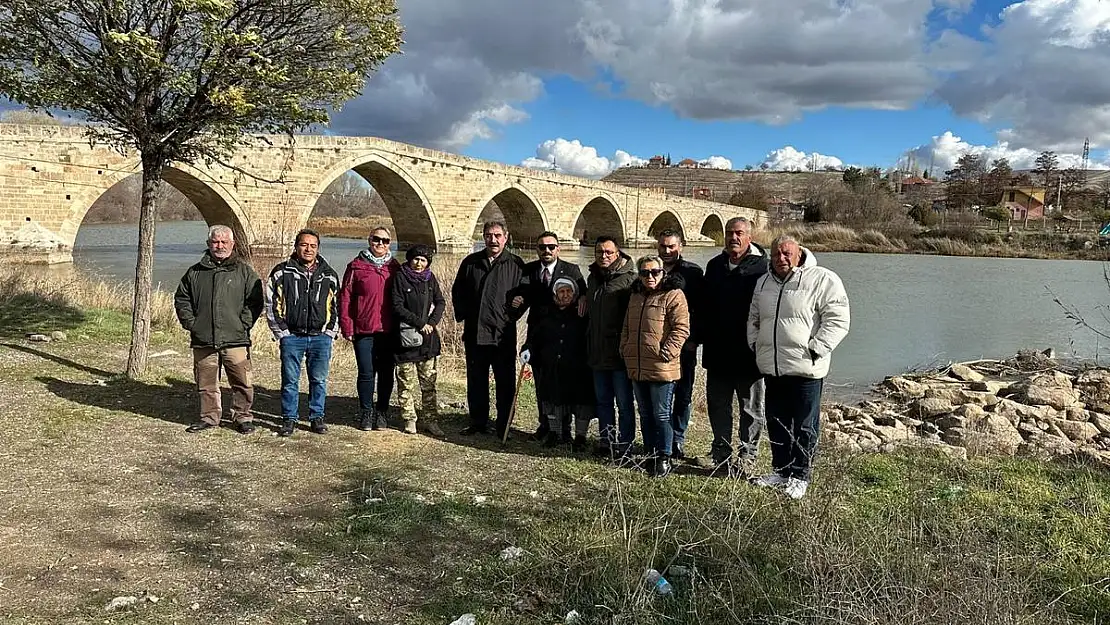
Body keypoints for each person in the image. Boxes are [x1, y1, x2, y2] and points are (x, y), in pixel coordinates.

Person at [747, 235, 850, 499]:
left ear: (799, 254)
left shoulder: (823, 279)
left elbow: (838, 319)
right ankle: (781, 471)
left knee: (805, 425)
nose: (781, 259)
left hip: (806, 368)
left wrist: (816, 348)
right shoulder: (764, 282)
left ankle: (800, 475)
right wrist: (756, 344)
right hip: (773, 366)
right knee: (777, 421)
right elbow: (754, 317)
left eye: (786, 253)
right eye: (776, 254)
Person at [174, 225, 264, 434]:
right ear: (208, 244)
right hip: (204, 338)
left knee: (242, 380)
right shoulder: (195, 272)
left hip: (235, 338)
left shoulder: (244, 271)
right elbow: (182, 299)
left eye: (224, 242)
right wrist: (192, 324)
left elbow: (255, 301)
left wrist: (244, 323)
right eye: (216, 242)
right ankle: (209, 417)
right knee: (206, 382)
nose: (220, 245)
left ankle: (242, 417)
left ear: (233, 244)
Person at [702, 217, 768, 475]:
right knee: (718, 406)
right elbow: (705, 306)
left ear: (749, 237)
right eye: (729, 233)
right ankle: (720, 454)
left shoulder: (762, 268)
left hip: (748, 354)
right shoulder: (715, 265)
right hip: (717, 352)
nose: (733, 238)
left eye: (739, 233)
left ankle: (748, 456)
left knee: (750, 408)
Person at [451, 220, 525, 437]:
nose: (493, 240)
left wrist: (512, 314)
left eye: (497, 235)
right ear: (483, 237)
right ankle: (478, 422)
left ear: (506, 237)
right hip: (475, 333)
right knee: (476, 381)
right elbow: (458, 291)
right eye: (488, 235)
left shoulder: (516, 264)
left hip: (502, 335)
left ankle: (504, 425)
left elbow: (525, 296)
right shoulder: (471, 262)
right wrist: (465, 314)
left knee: (505, 383)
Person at [511, 231, 586, 440]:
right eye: (542, 247)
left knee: (566, 384)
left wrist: (584, 300)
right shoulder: (530, 270)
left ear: (558, 248)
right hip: (539, 334)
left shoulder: (571, 269)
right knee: (542, 383)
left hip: (565, 333)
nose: (547, 251)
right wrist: (517, 300)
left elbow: (583, 294)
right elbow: (522, 293)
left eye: (551, 247)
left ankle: (566, 429)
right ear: (537, 249)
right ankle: (546, 425)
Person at [265, 228, 341, 437]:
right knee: (290, 380)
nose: (308, 249)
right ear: (296, 246)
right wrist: (282, 333)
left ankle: (317, 417)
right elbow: (272, 304)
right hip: (292, 337)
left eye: (313, 246)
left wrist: (330, 332)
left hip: (320, 338)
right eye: (304, 245)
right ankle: (289, 419)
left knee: (319, 380)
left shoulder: (329, 274)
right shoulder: (282, 272)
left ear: (318, 249)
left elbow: (337, 306)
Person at [620, 254, 690, 478]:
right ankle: (649, 452)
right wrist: (625, 348)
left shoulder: (673, 295)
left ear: (663, 273)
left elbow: (681, 329)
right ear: (639, 275)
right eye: (644, 272)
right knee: (646, 413)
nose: (649, 276)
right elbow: (627, 327)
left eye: (654, 272)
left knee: (661, 414)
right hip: (638, 364)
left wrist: (666, 353)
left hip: (661, 366)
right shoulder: (635, 296)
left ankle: (664, 455)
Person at [519, 278, 595, 451]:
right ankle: (555, 433)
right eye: (561, 291)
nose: (565, 295)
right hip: (552, 366)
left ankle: (580, 437)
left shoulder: (582, 315)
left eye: (569, 291)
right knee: (552, 400)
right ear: (554, 295)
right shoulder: (545, 315)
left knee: (581, 402)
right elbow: (534, 338)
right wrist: (527, 349)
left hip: (578, 368)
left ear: (575, 294)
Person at [338, 226, 401, 431]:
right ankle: (366, 411)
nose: (380, 244)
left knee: (385, 373)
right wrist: (347, 326)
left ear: (389, 243)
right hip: (363, 328)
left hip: (388, 330)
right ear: (369, 240)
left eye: (384, 240)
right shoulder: (356, 266)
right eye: (376, 239)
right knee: (366, 372)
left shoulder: (395, 267)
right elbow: (345, 297)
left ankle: (382, 412)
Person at [585, 236, 638, 459]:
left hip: (619, 354)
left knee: (624, 403)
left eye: (608, 252)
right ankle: (606, 441)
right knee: (603, 401)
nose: (603, 256)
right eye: (599, 252)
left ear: (618, 254)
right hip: (597, 351)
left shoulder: (630, 280)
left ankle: (625, 445)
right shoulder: (593, 278)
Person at [655, 229, 704, 460]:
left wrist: (694, 340)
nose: (666, 251)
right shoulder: (649, 269)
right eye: (663, 246)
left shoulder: (693, 273)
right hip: (656, 345)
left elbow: (702, 309)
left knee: (683, 394)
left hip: (684, 345)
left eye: (671, 246)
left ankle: (677, 440)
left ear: (680, 247)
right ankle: (659, 439)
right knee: (660, 395)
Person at [391, 244, 446, 437]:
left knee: (428, 384)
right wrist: (419, 322)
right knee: (406, 382)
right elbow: (396, 306)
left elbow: (440, 302)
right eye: (416, 259)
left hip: (427, 340)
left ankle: (430, 420)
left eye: (423, 260)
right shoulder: (400, 277)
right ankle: (409, 419)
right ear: (409, 259)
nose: (419, 263)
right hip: (405, 338)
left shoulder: (430, 279)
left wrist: (432, 322)